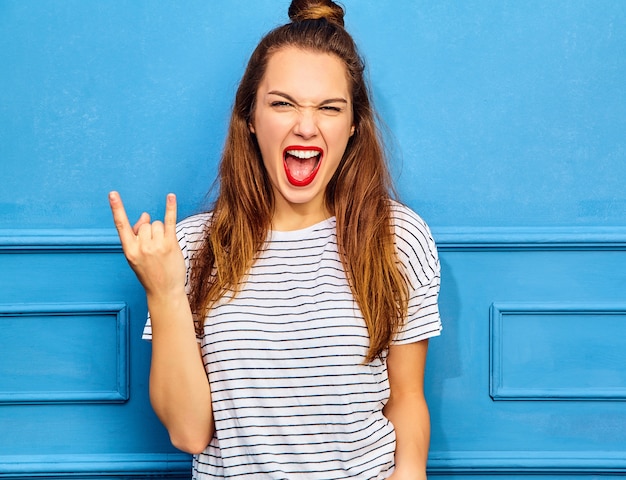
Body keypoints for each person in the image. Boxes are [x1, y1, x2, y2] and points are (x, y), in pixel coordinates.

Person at [109, 0, 441, 478]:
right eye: (282, 103)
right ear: (250, 116)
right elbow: (188, 433)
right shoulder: (191, 248)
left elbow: (407, 399)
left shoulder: (398, 236)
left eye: (329, 108)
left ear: (351, 126)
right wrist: (162, 291)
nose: (305, 126)